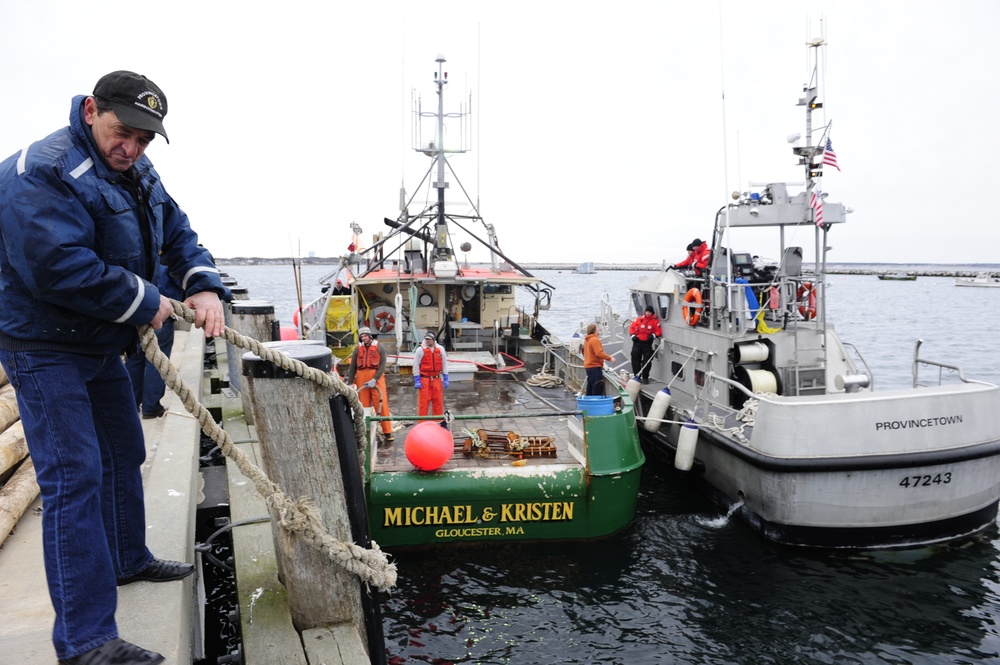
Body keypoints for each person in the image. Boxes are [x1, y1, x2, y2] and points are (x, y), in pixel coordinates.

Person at [0, 70, 229, 664]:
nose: (132, 148)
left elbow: (174, 229)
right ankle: (85, 642)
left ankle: (128, 556)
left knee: (124, 450)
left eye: (145, 140)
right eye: (122, 132)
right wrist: (147, 300)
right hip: (42, 344)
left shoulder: (136, 167)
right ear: (91, 109)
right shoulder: (41, 171)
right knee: (73, 479)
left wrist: (201, 284)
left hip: (100, 339)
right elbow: (56, 268)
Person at [125, 263, 184, 419]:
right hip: (161, 314)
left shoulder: (139, 260)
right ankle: (151, 406)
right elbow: (180, 282)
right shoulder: (166, 264)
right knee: (157, 361)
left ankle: (131, 403)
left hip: (135, 310)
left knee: (134, 359)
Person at [346, 326, 394, 441]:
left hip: (376, 378)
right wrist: (350, 382)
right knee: (363, 406)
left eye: (365, 336)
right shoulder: (358, 349)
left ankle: (387, 432)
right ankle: (364, 432)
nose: (363, 338)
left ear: (369, 336)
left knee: (382, 405)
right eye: (361, 337)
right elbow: (353, 367)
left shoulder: (379, 347)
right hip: (361, 377)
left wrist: (375, 379)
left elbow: (382, 365)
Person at [413, 331, 449, 416]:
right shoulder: (420, 350)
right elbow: (416, 366)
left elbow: (444, 364)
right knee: (423, 403)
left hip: (436, 379)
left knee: (438, 402)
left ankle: (438, 423)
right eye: (426, 339)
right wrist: (417, 380)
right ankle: (422, 424)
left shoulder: (440, 349)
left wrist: (446, 378)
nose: (427, 341)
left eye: (429, 339)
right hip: (424, 380)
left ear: (433, 340)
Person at [629, 306, 662, 384]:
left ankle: (645, 377)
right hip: (637, 342)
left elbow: (658, 331)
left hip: (647, 344)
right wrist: (633, 336)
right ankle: (637, 376)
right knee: (635, 359)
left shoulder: (655, 322)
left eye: (650, 312)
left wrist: (653, 336)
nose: (648, 313)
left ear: (652, 313)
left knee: (647, 361)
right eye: (647, 312)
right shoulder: (638, 319)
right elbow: (632, 328)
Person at [583, 323, 613, 396]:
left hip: (588, 366)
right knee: (597, 386)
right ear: (594, 330)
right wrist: (610, 358)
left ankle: (589, 402)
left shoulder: (587, 340)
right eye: (597, 328)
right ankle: (595, 403)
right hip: (594, 366)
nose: (599, 329)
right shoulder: (595, 340)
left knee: (590, 386)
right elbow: (599, 353)